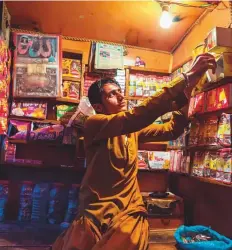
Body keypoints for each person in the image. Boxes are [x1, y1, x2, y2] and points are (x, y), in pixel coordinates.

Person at [53, 53, 216, 250]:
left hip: (129, 210)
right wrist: (186, 77)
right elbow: (135, 117)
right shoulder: (94, 123)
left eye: (120, 90)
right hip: (96, 209)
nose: (121, 96)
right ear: (98, 107)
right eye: (112, 94)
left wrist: (187, 91)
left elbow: (172, 130)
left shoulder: (132, 130)